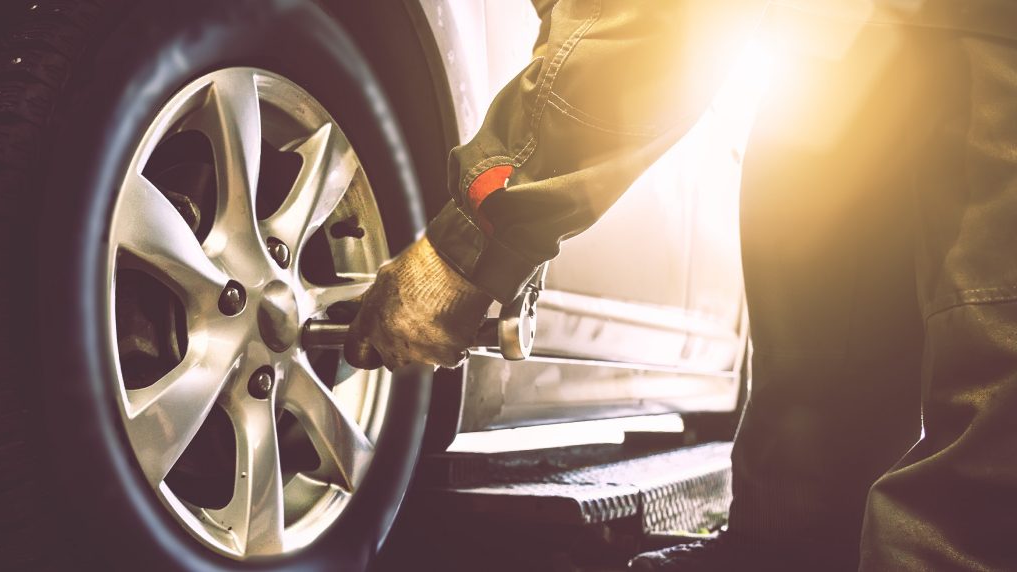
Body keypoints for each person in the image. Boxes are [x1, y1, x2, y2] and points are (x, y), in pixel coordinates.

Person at [343, 1, 1017, 570]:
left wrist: (465, 250)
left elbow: (650, 23)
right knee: (815, 419)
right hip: (847, 52)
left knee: (979, 490)